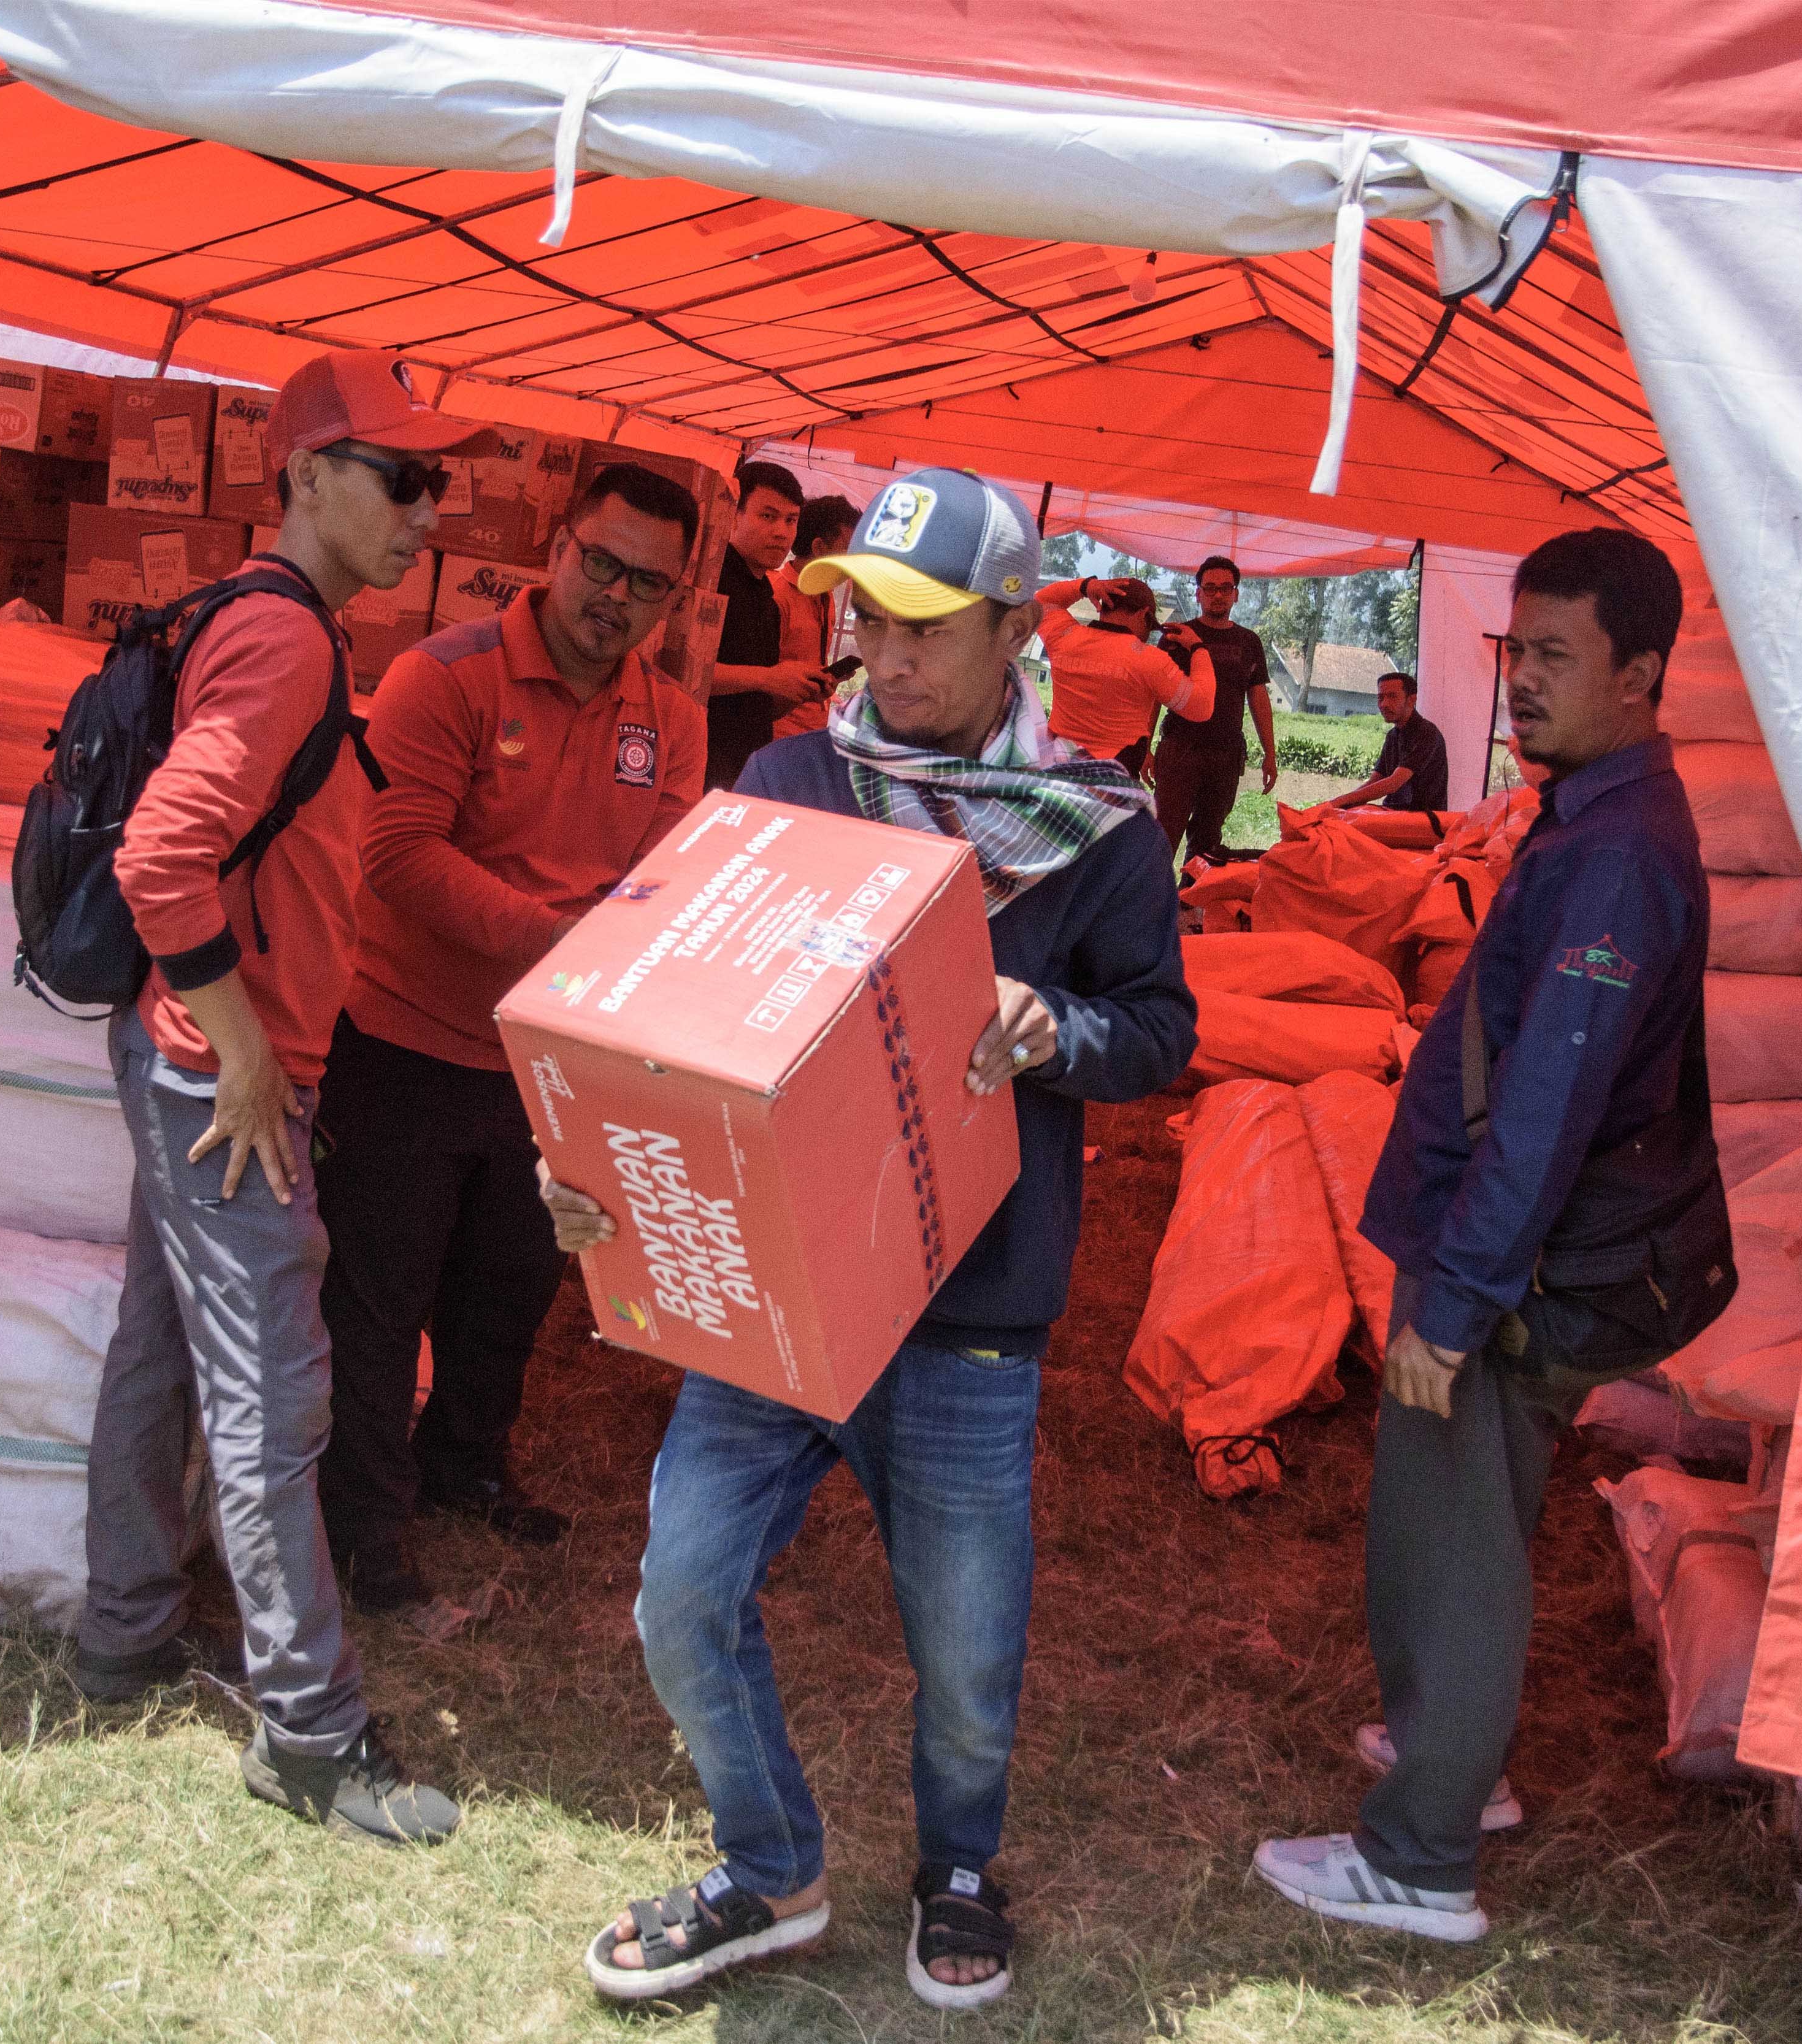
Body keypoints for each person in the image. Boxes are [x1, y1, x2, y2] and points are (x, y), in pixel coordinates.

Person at [552, 469, 1195, 2009]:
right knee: (681, 1593)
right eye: (862, 617)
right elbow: (668, 1001)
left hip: (973, 1309)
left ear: (1012, 630)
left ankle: (959, 1861)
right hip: (782, 1295)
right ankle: (769, 1868)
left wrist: (1061, 1027)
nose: (884, 657)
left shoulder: (1098, 827)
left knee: (965, 1657)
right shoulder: (788, 777)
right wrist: (588, 1161)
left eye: (922, 626)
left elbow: (1161, 1029)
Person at [1254, 528, 1711, 1943]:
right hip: (1508, 1249)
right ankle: (1455, 1760)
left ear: (1640, 676)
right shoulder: (1588, 817)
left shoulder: (1617, 861)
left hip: (1517, 1270)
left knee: (1455, 1539)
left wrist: (1453, 1299)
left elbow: (1549, 1106)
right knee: (1464, 1514)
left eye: (1556, 660)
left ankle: (1420, 1861)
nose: (1520, 684)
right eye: (1516, 653)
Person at [79, 348, 489, 1845]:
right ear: (308, 476)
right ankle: (310, 1736)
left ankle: (124, 1630)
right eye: (397, 479)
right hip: (220, 1077)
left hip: (194, 1055)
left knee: (164, 1355)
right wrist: (245, 1049)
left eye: (434, 484)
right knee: (272, 1399)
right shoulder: (288, 641)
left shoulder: (279, 626)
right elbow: (160, 860)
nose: (423, 513)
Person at [314, 463, 710, 1634]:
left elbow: (672, 882)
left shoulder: (673, 723)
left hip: (551, 1065)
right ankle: (362, 1532)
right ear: (557, 544)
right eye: (602, 561)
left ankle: (466, 1465)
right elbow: (395, 851)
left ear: (675, 598)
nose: (617, 596)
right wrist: (558, 939)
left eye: (649, 583)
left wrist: (605, 968)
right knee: (379, 1305)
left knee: (509, 1287)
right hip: (405, 1040)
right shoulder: (446, 677)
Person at [704, 460, 830, 790]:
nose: (782, 532)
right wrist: (770, 677)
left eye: (791, 520)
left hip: (744, 770)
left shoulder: (766, 598)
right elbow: (682, 674)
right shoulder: (710, 580)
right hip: (702, 765)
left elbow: (757, 709)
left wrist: (797, 691)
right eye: (768, 516)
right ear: (735, 514)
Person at [1149, 555, 1273, 862]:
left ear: (1236, 594)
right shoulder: (1175, 637)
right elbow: (1153, 694)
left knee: (1208, 837)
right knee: (1164, 832)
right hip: (1180, 750)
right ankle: (1149, 903)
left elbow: (1258, 698)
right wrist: (1145, 745)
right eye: (1211, 588)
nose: (1218, 594)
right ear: (1198, 593)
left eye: (1226, 588)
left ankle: (1190, 901)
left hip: (1227, 755)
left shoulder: (1249, 642)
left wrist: (1270, 753)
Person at [1030, 572, 1214, 775]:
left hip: (1057, 774)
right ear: (1144, 614)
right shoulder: (1149, 660)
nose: (1148, 634)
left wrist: (1085, 586)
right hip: (1114, 785)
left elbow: (1040, 601)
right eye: (1150, 626)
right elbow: (1201, 707)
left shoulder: (1064, 639)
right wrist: (1199, 648)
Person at [770, 492, 861, 741]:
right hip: (778, 734)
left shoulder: (825, 596)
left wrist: (828, 677)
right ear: (819, 547)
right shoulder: (776, 596)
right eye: (847, 551)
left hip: (812, 728)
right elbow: (763, 678)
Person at [1324, 671, 1450, 813]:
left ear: (1412, 699)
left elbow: (1393, 783)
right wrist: (1338, 805)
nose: (1384, 704)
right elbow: (1375, 780)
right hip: (1395, 813)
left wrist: (1339, 802)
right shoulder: (1393, 736)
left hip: (1424, 818)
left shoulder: (1427, 733)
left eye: (1392, 697)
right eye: (1380, 698)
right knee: (1335, 822)